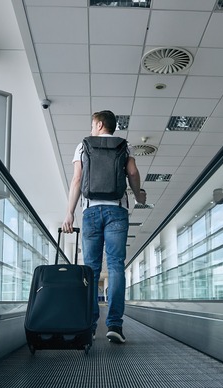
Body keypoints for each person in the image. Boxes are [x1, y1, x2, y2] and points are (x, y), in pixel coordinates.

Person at [61, 110, 146, 344]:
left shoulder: (83, 145)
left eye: (92, 125)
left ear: (99, 125)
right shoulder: (124, 146)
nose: (90, 129)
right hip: (117, 210)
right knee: (117, 266)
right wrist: (138, 195)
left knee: (91, 269)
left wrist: (69, 212)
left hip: (90, 211)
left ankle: (90, 325)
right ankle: (115, 325)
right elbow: (133, 172)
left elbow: (77, 180)